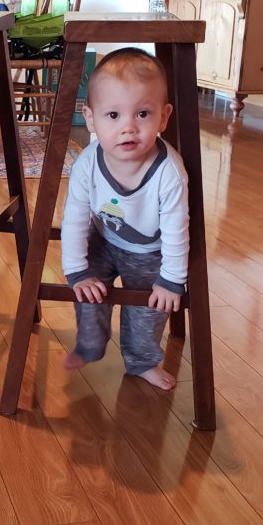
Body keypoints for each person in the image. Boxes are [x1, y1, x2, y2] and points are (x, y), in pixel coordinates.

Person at [61, 48, 189, 389]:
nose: (128, 127)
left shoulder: (168, 173)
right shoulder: (87, 163)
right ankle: (90, 346)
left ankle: (142, 361)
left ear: (163, 117)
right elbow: (74, 216)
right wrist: (77, 270)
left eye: (143, 114)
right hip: (103, 240)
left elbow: (178, 231)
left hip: (150, 252)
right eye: (113, 115)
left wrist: (171, 279)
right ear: (91, 119)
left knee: (149, 308)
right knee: (87, 292)